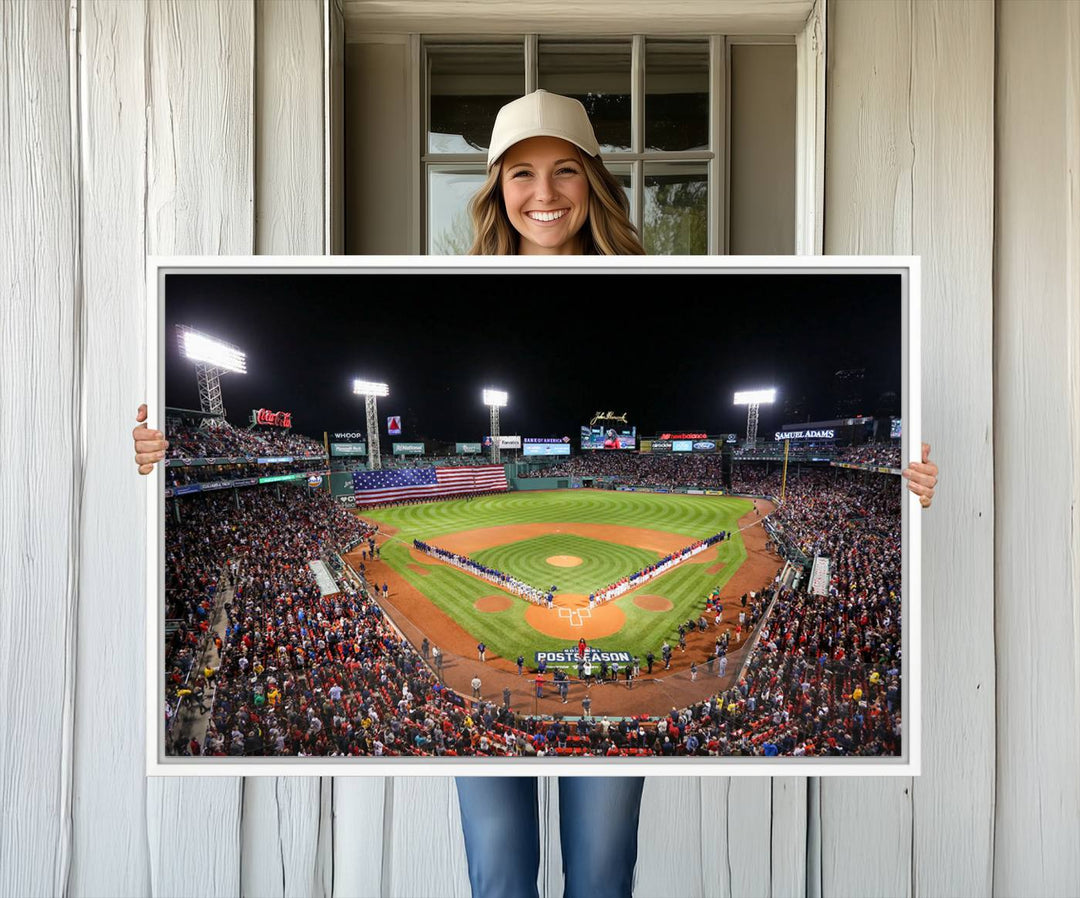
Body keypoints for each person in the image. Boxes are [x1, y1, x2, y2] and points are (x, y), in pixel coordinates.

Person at [132, 89, 939, 898]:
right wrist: (161, 456)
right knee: (500, 875)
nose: (544, 193)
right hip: (499, 729)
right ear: (495, 189)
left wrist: (907, 477)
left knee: (599, 874)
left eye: (564, 172)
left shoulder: (651, 277)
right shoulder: (455, 280)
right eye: (521, 173)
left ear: (594, 181)